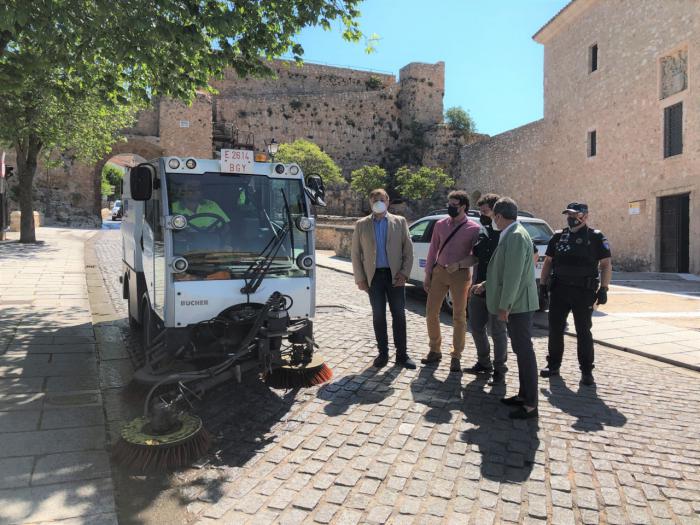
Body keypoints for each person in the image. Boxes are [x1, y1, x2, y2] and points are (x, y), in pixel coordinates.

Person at [472, 197, 539, 419]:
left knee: (524, 352)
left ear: (499, 216)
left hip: (518, 305)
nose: (492, 221)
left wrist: (505, 306)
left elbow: (513, 276)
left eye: (493, 217)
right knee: (521, 351)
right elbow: (503, 272)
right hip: (516, 303)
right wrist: (486, 284)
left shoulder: (516, 236)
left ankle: (530, 404)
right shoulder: (511, 233)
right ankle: (523, 394)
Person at [539, 202, 612, 386]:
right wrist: (542, 284)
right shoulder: (558, 236)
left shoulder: (596, 237)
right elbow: (548, 261)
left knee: (583, 331)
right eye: (568, 215)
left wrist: (604, 288)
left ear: (585, 216)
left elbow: (605, 264)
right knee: (555, 329)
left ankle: (586, 371)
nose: (570, 218)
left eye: (574, 215)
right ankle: (553, 365)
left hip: (583, 292)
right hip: (559, 290)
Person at [351, 188, 416, 369]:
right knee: (378, 316)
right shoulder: (361, 224)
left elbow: (408, 251)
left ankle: (402, 355)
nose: (378, 202)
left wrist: (404, 273)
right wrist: (360, 278)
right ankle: (383, 353)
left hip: (395, 276)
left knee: (399, 315)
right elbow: (355, 253)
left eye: (381, 198)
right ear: (370, 203)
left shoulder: (400, 222)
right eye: (374, 199)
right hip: (374, 278)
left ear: (387, 201)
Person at [421, 190, 480, 372]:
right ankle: (435, 349)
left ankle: (456, 355)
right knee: (431, 313)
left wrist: (460, 264)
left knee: (459, 316)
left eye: (454, 205)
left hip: (460, 275)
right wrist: (428, 274)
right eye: (449, 204)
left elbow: (476, 258)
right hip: (439, 271)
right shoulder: (440, 225)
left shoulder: (474, 229)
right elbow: (433, 250)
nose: (450, 208)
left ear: (463, 207)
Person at [463, 194, 509, 384]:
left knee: (497, 331)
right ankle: (484, 362)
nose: (482, 215)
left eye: (485, 211)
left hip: (496, 289)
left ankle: (500, 369)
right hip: (478, 287)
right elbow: (476, 257)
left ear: (496, 211)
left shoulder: (507, 232)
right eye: (480, 211)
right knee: (475, 327)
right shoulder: (483, 230)